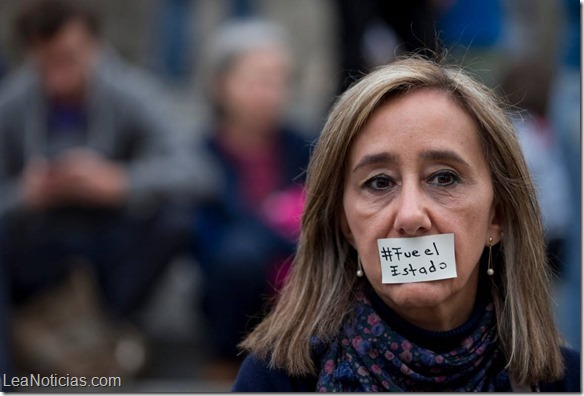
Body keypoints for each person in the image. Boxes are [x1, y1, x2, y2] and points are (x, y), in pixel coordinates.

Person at [232, 56, 580, 392]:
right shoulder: (276, 381)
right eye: (379, 183)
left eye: (444, 178)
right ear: (346, 224)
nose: (411, 216)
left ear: (497, 215)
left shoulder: (565, 382)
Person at [0, 0, 217, 376]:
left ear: (95, 47)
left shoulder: (130, 91)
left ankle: (108, 327)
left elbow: (198, 172)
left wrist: (119, 182)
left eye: (70, 57)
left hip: (110, 241)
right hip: (39, 241)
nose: (59, 74)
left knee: (178, 216)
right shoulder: (13, 104)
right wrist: (27, 194)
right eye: (46, 61)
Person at [190, 19, 311, 380]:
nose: (272, 93)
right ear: (221, 85)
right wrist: (274, 229)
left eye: (280, 81)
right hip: (235, 297)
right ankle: (228, 358)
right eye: (259, 80)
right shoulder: (201, 158)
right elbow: (209, 241)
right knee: (239, 255)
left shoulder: (304, 147)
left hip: (299, 285)